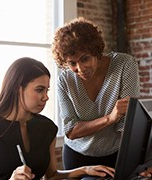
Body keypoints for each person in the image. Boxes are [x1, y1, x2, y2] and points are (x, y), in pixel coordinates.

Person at [0, 57, 115, 180]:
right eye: (39, 90)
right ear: (17, 88)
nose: (46, 97)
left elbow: (51, 175)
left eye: (47, 90)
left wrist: (84, 170)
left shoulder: (47, 127)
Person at [51, 17, 140, 172]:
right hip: (76, 156)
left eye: (85, 58)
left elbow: (127, 125)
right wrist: (109, 118)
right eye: (72, 63)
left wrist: (140, 162)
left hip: (116, 154)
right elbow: (71, 131)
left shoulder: (125, 65)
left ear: (96, 51)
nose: (81, 68)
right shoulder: (64, 81)